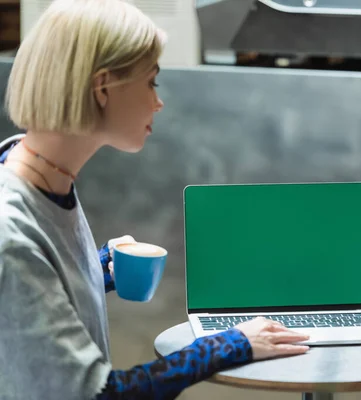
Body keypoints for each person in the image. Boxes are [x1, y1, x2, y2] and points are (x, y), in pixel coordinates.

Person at [0, 1, 310, 399]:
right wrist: (225, 346)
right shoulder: (10, 235)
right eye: (151, 82)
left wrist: (96, 269)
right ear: (103, 87)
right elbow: (100, 394)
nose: (157, 101)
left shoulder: (42, 178)